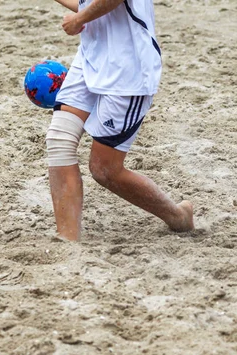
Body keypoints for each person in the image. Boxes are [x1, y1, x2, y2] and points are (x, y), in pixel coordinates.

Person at [46, 0, 194, 241]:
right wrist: (80, 13)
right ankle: (67, 243)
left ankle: (178, 216)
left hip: (128, 70)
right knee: (59, 140)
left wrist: (79, 19)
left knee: (104, 170)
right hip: (91, 55)